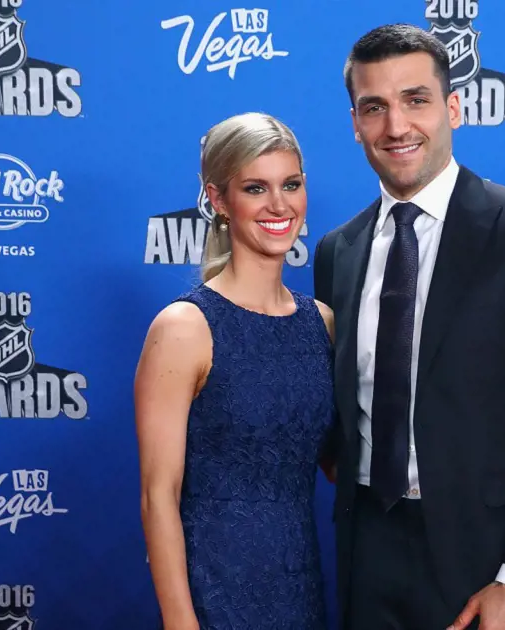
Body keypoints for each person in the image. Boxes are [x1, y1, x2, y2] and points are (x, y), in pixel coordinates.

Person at [312, 24, 505, 630]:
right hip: (367, 552)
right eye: (375, 108)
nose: (396, 126)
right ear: (355, 123)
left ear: (453, 108)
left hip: (489, 560)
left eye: (415, 99)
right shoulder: (337, 251)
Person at [135, 112, 334, 630]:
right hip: (214, 592)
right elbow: (159, 496)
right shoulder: (185, 326)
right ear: (219, 200)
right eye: (255, 188)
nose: (278, 205)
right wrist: (182, 623)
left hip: (301, 587)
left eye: (290, 184)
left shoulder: (322, 323)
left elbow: (340, 462)